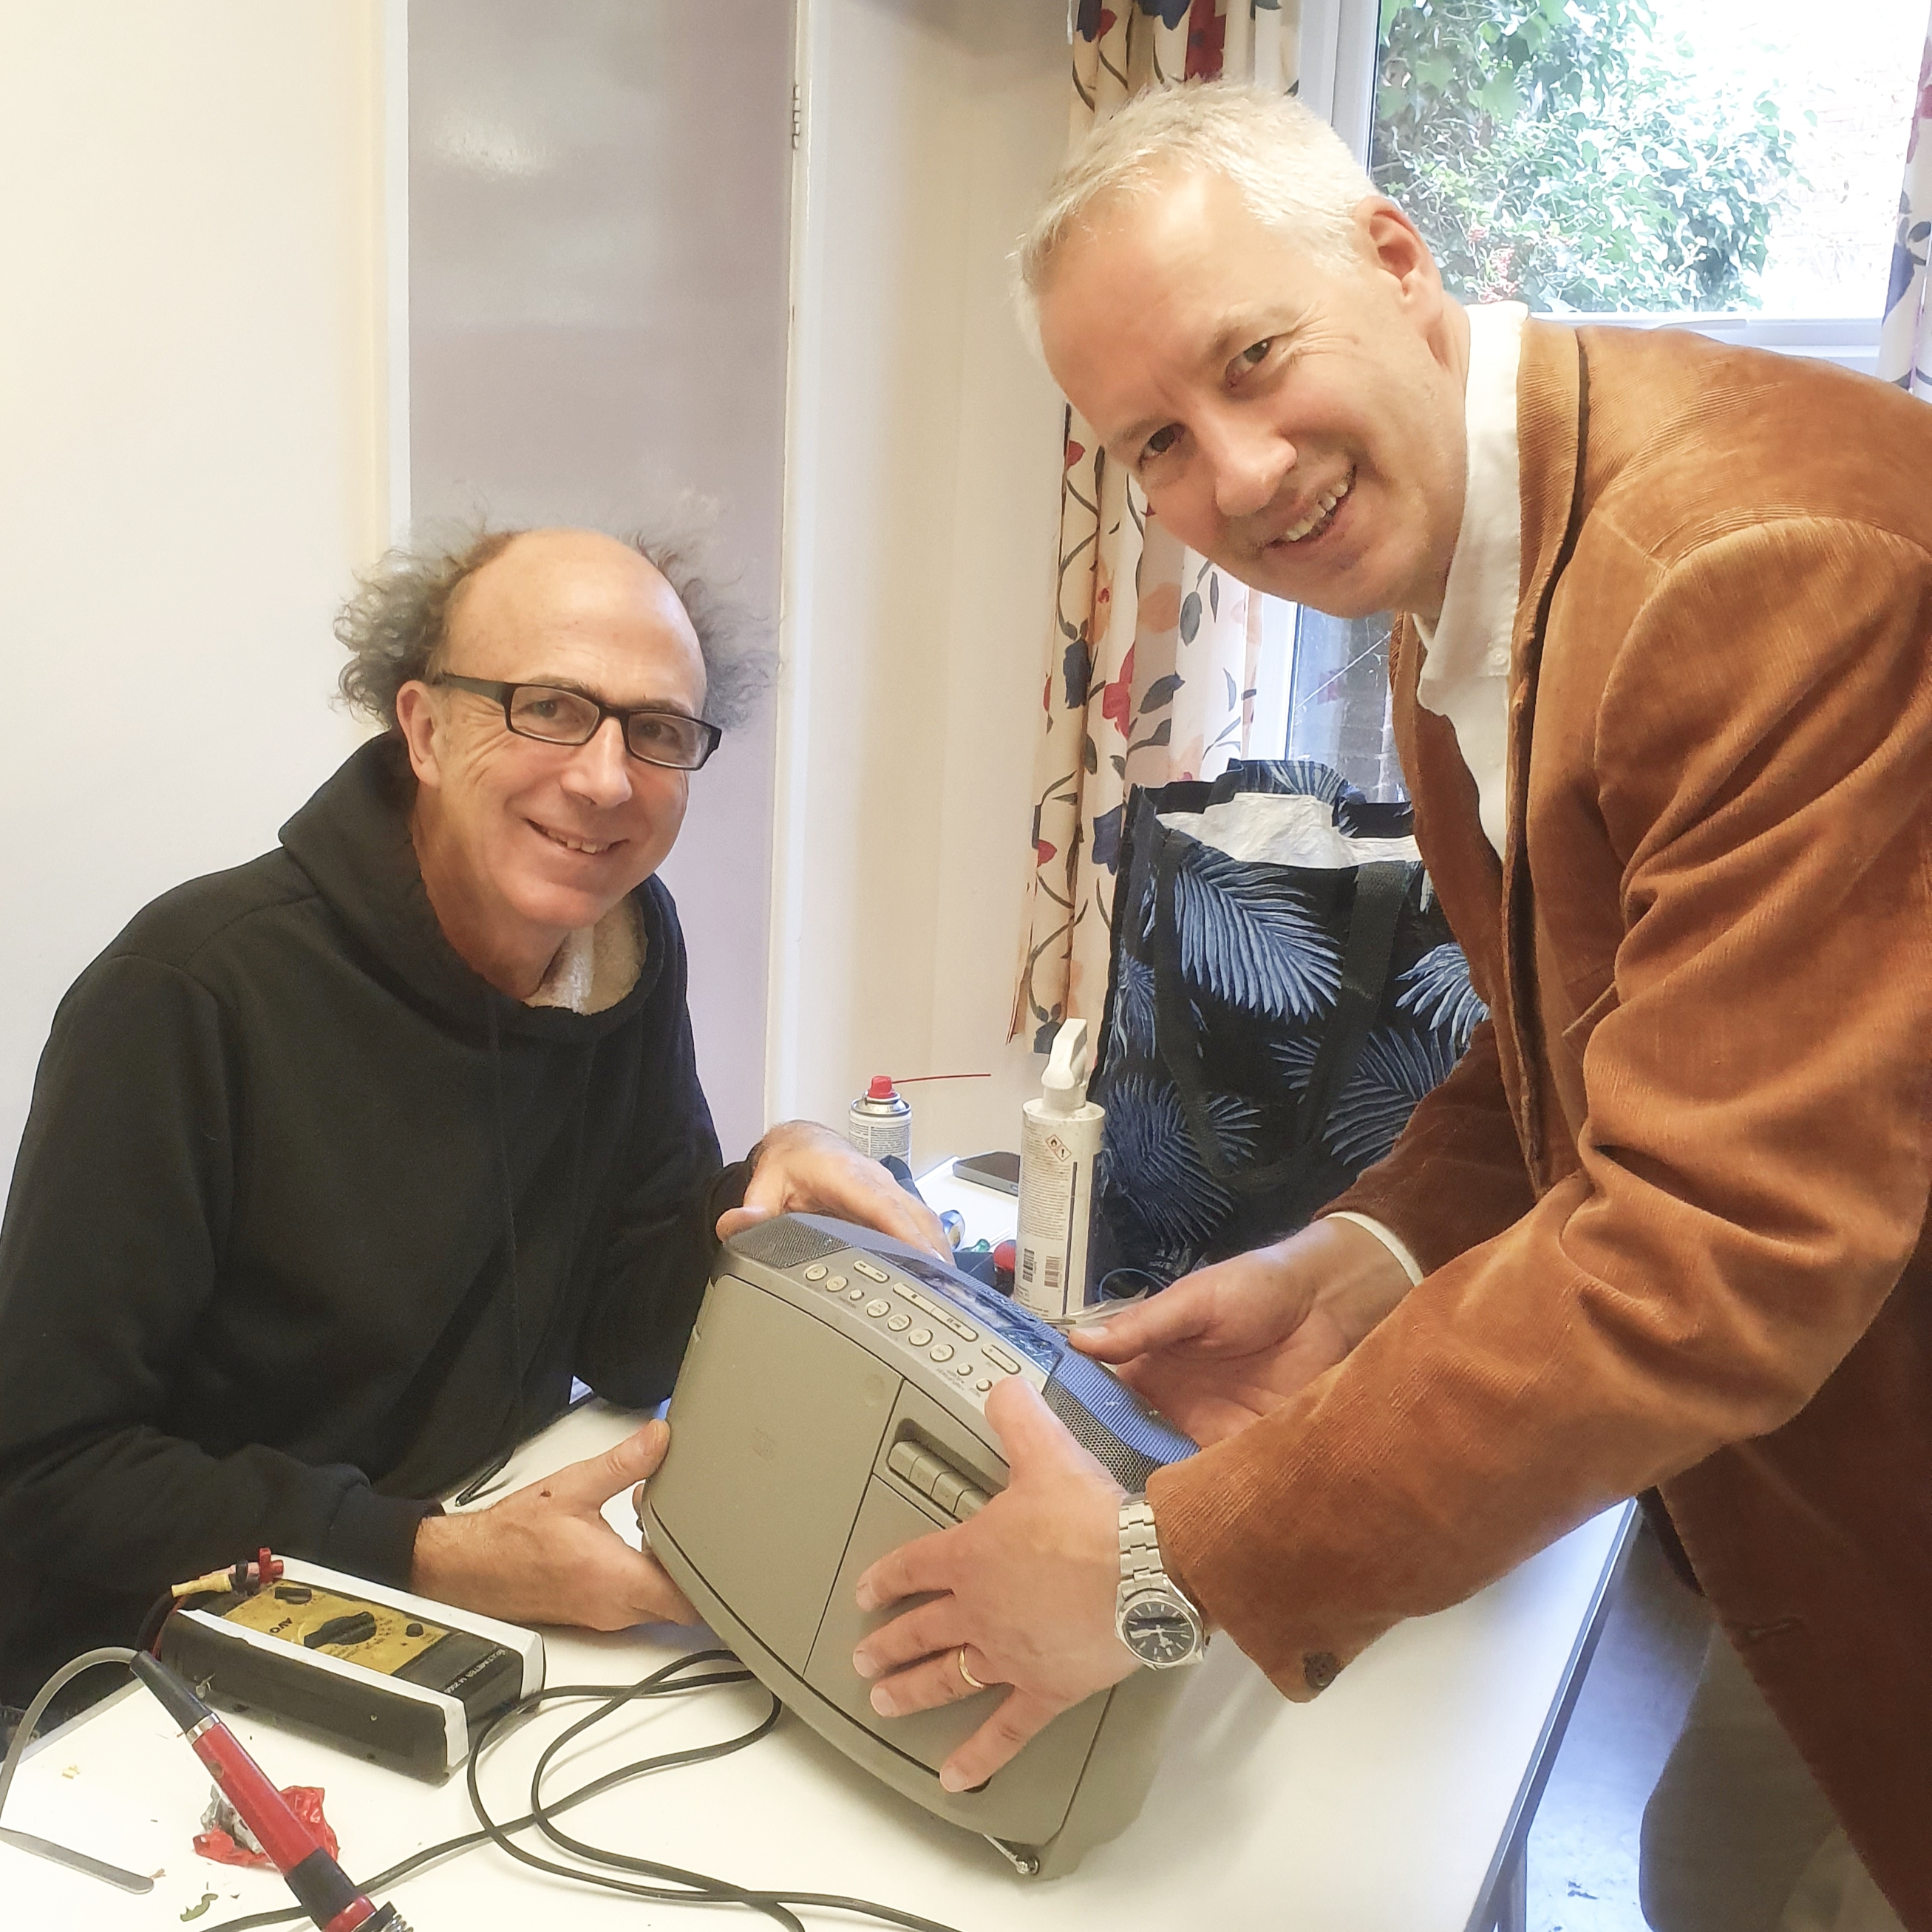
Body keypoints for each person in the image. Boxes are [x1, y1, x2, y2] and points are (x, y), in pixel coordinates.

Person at [848, 85, 1932, 1931]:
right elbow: (1585, 1026)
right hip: (1822, 1466)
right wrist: (1360, 1258)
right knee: (1713, 1868)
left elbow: (1712, 1243)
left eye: (1251, 358)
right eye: (1155, 441)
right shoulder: (1479, 568)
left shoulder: (1743, 569)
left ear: (1394, 256)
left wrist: (1155, 1565)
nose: (1238, 472)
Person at [0, 525, 943, 1719]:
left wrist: (761, 1185)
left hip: (470, 1586)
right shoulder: (188, 991)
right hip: (160, 1672)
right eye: (548, 707)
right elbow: (45, 1470)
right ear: (424, 728)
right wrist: (433, 1555)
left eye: (657, 731)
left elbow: (629, 1334)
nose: (606, 779)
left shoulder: (621, 948)